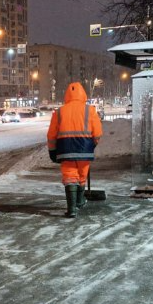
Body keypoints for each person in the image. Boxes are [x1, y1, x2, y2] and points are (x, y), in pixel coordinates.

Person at [47, 82, 103, 218]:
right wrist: (92, 145)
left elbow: (51, 135)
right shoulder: (89, 110)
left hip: (65, 150)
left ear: (67, 95)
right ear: (83, 93)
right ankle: (79, 201)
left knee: (70, 176)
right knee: (82, 175)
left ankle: (71, 209)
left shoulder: (59, 112)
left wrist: (52, 151)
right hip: (84, 149)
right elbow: (98, 133)